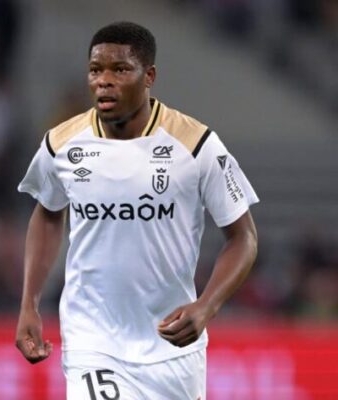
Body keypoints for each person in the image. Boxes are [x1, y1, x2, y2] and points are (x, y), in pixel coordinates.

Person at [15, 21, 259, 399]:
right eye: (96, 70)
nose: (104, 81)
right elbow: (47, 214)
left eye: (120, 69)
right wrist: (29, 303)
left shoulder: (196, 145)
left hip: (173, 349)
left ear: (149, 77)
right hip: (93, 340)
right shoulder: (62, 144)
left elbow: (243, 237)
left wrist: (206, 306)